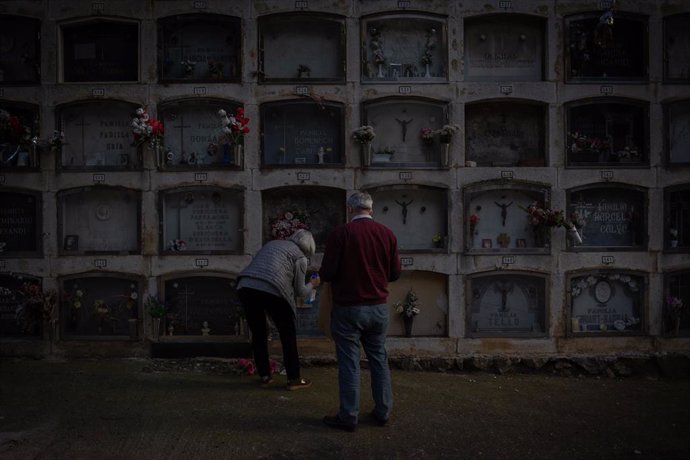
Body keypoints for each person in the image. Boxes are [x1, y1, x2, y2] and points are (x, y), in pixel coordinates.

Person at [319, 191, 401, 432]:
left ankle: (349, 416)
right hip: (378, 308)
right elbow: (395, 274)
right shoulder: (387, 234)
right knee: (379, 359)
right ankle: (383, 412)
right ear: (371, 210)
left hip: (349, 309)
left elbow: (328, 273)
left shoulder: (341, 233)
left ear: (349, 209)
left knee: (349, 363)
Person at [236, 229, 320, 391]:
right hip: (272, 288)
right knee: (287, 334)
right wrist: (313, 285)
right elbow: (301, 292)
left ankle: (265, 376)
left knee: (259, 333)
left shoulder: (273, 244)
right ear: (309, 247)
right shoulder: (301, 257)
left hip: (246, 286)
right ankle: (294, 379)